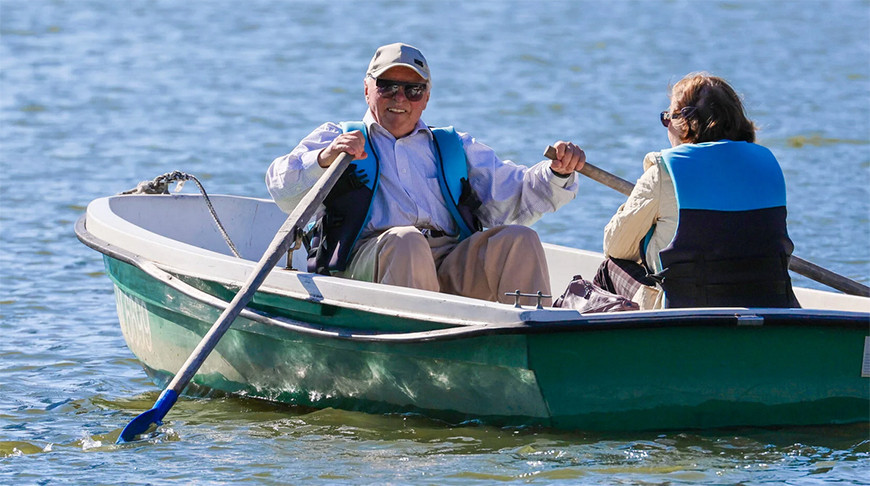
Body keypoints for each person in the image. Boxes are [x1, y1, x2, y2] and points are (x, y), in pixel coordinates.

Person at [266, 43, 585, 305]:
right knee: (408, 242)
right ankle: (419, 352)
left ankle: (532, 345)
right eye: (387, 87)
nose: (400, 98)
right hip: (367, 264)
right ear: (367, 89)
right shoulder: (339, 138)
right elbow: (282, 189)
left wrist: (557, 172)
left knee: (520, 239)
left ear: (427, 97)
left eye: (413, 89)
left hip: (448, 261)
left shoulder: (452, 145)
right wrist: (324, 158)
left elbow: (513, 200)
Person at [594, 72, 799, 309]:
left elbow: (616, 246)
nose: (667, 125)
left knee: (608, 270)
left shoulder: (664, 170)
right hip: (769, 306)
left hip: (687, 315)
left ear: (685, 124)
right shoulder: (767, 164)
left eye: (668, 117)